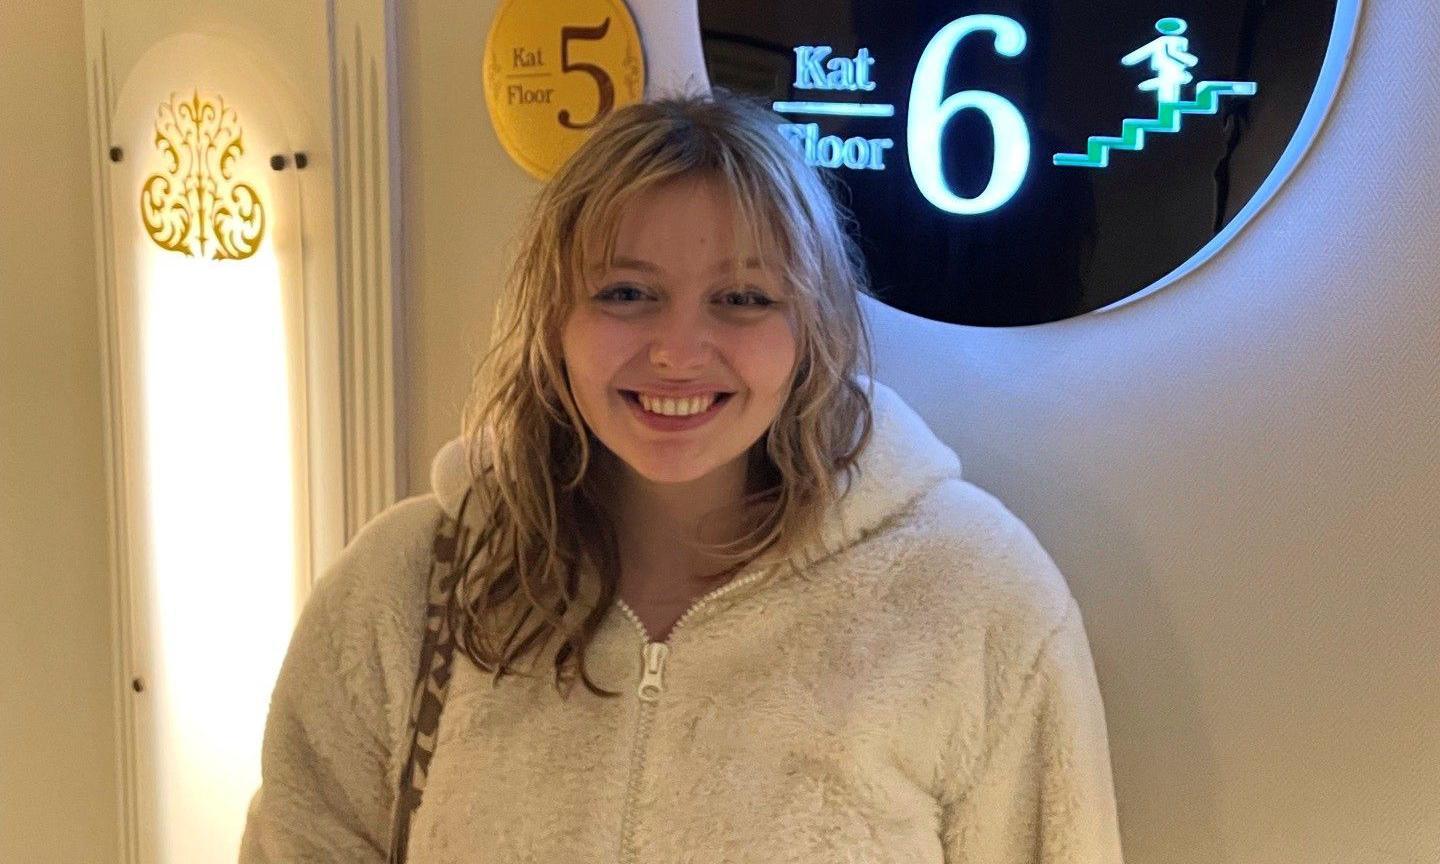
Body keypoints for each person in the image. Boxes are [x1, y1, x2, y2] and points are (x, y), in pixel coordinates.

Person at [239, 86, 1125, 863]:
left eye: (742, 299)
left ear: (809, 327)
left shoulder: (973, 596)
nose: (676, 351)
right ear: (554, 318)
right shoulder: (408, 586)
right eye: (626, 293)